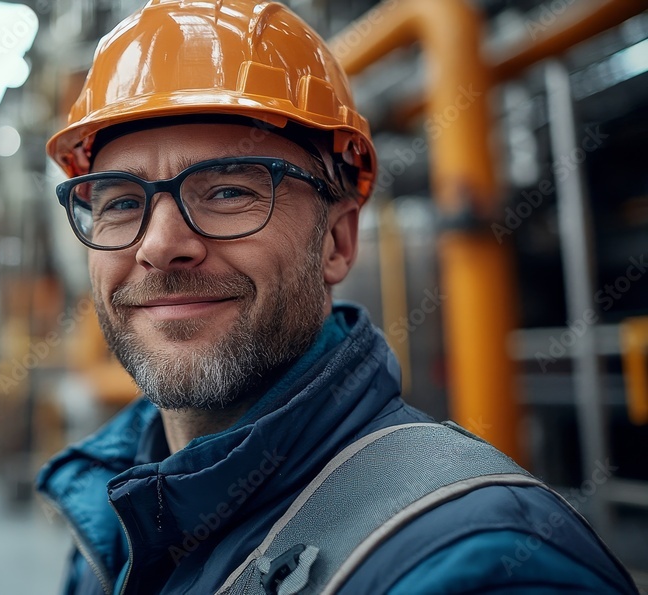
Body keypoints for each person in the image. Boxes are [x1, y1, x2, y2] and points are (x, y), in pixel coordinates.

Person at [36, 1, 638, 593]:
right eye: (119, 202)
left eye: (227, 192)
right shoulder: (115, 511)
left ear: (337, 240)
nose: (161, 245)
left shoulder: (481, 562)